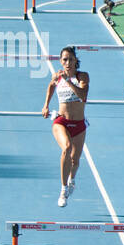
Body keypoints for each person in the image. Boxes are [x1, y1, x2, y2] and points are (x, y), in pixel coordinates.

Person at [40, 46, 89, 207]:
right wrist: (46, 105)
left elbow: (82, 96)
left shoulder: (82, 77)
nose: (67, 63)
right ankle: (63, 189)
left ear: (76, 61)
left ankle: (71, 179)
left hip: (79, 124)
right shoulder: (57, 76)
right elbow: (51, 87)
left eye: (70, 59)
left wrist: (68, 81)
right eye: (64, 60)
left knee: (75, 160)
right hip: (61, 121)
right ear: (61, 61)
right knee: (66, 148)